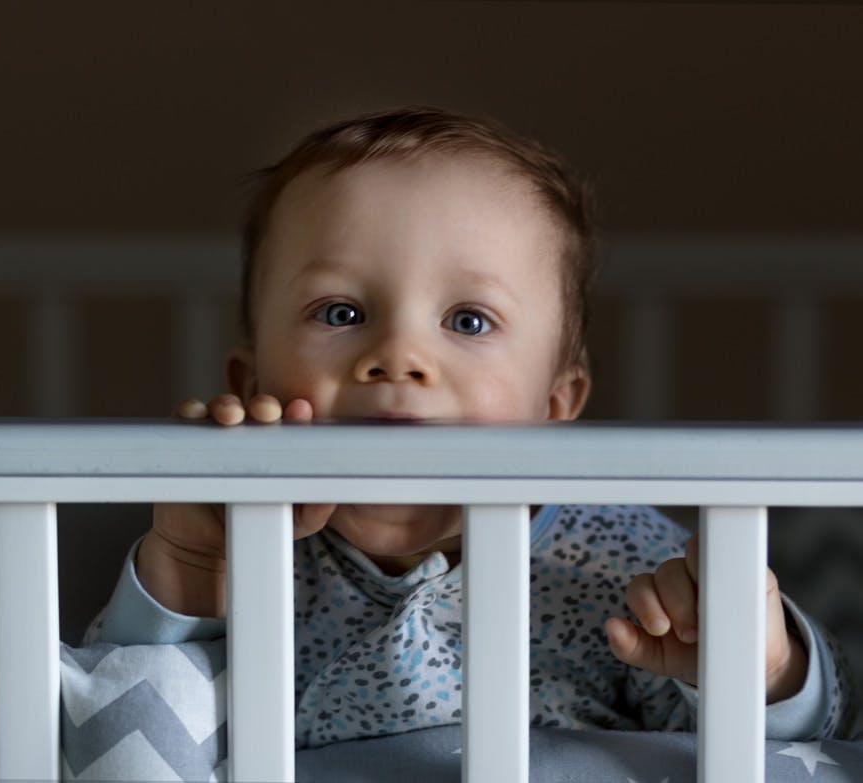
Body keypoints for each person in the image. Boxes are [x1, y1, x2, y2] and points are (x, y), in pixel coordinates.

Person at [87, 106, 853, 743]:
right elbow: (123, 736)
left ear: (555, 402)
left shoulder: (618, 559)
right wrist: (187, 564)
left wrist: (762, 668)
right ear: (248, 383)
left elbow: (796, 752)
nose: (397, 356)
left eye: (468, 319)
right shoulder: (238, 543)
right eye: (341, 312)